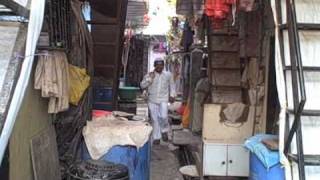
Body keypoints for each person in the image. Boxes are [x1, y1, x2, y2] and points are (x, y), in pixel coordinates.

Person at [140, 58, 176, 145]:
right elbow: (142, 85)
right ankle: (157, 137)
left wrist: (172, 95)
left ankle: (164, 130)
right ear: (154, 66)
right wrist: (150, 79)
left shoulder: (168, 75)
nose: (159, 66)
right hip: (152, 99)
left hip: (163, 99)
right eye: (157, 65)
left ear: (163, 66)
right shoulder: (149, 75)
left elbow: (172, 85)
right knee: (154, 119)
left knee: (163, 116)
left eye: (161, 65)